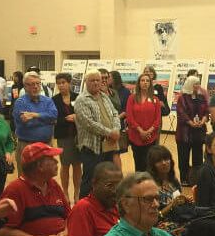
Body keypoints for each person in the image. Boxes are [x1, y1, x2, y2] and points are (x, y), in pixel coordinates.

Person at [0, 143, 71, 236]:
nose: (56, 162)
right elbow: (2, 231)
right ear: (40, 166)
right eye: (51, 159)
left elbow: (70, 217)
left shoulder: (53, 184)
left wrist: (66, 233)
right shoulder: (15, 190)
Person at [74, 70, 122, 198]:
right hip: (92, 148)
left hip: (108, 146)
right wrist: (109, 132)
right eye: (92, 80)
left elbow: (115, 113)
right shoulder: (81, 100)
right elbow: (89, 123)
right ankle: (83, 208)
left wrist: (116, 129)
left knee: (106, 179)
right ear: (86, 82)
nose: (96, 83)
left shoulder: (104, 96)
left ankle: (102, 204)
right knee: (90, 180)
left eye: (98, 80)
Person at [68, 161, 122, 236]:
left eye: (119, 186)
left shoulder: (117, 207)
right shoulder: (83, 209)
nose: (115, 191)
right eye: (110, 185)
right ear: (94, 184)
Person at [12, 71, 59, 165]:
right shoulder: (20, 102)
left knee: (46, 176)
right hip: (27, 146)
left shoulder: (47, 100)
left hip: (46, 145)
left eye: (38, 83)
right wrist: (48, 121)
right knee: (27, 178)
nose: (36, 87)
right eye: (32, 84)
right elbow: (27, 123)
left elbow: (54, 115)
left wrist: (35, 115)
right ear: (25, 86)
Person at [52, 73, 82, 203]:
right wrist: (66, 119)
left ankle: (77, 192)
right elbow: (53, 119)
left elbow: (84, 114)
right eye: (59, 83)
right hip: (64, 136)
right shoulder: (54, 100)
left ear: (69, 83)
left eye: (63, 82)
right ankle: (65, 192)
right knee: (65, 165)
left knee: (77, 165)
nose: (61, 85)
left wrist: (77, 117)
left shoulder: (78, 97)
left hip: (78, 136)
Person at [175, 75, 210, 185]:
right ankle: (184, 179)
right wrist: (191, 123)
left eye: (198, 83)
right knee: (183, 158)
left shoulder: (201, 97)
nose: (197, 86)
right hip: (184, 134)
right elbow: (181, 114)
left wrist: (203, 121)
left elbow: (206, 112)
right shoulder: (182, 98)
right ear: (190, 85)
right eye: (195, 84)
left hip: (198, 133)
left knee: (198, 159)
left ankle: (196, 179)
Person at [126, 73, 164, 172]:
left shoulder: (155, 99)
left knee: (149, 164)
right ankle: (139, 185)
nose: (145, 83)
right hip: (136, 136)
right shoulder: (132, 98)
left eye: (147, 81)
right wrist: (141, 131)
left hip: (151, 137)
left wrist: (148, 132)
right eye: (142, 80)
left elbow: (157, 119)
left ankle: (149, 185)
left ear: (150, 83)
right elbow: (130, 117)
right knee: (138, 164)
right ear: (139, 83)